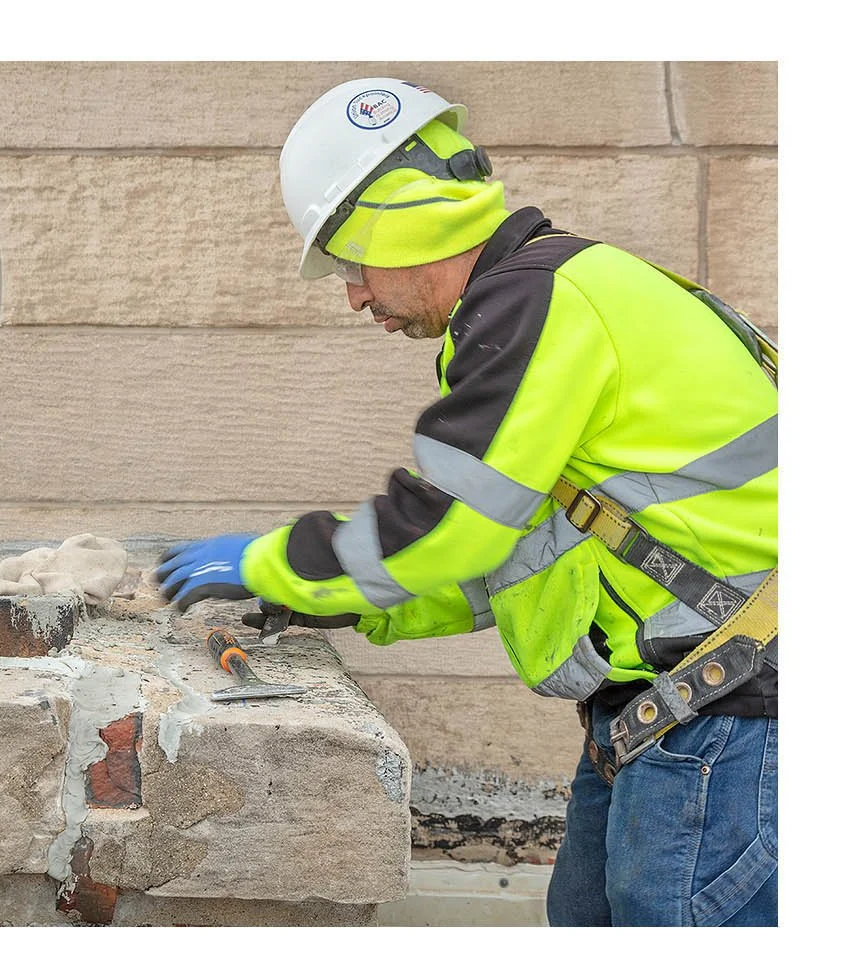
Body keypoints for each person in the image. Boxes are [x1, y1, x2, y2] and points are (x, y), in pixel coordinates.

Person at [154, 78, 777, 927]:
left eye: (350, 264)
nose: (354, 297)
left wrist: (277, 560)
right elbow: (517, 551)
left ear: (405, 225)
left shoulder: (534, 302)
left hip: (732, 720)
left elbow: (448, 525)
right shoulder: (555, 292)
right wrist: (333, 606)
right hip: (676, 713)